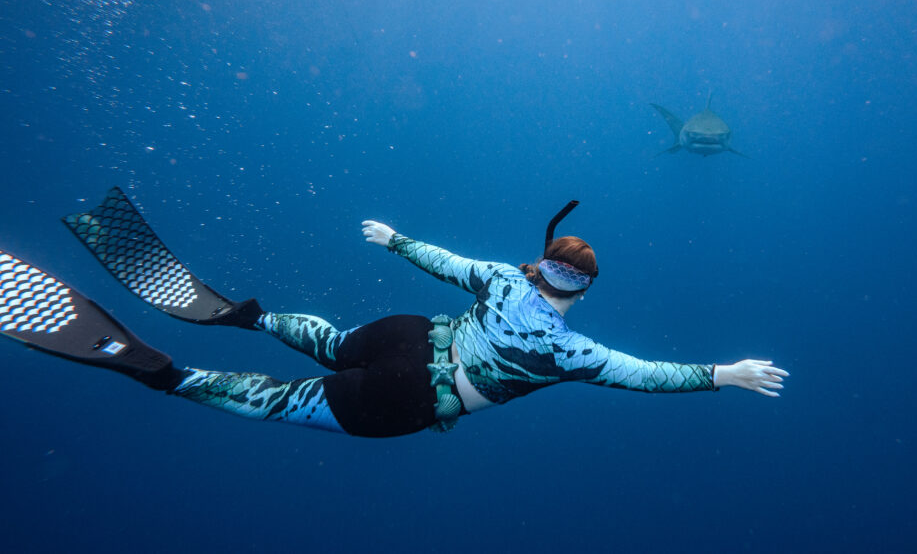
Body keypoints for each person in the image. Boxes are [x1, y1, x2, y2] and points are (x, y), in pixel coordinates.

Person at [0, 189, 788, 438]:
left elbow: (444, 260)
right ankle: (167, 374)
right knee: (285, 396)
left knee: (331, 345)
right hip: (419, 395)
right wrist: (720, 374)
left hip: (411, 344)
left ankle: (245, 317)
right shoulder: (570, 351)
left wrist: (393, 240)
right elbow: (642, 374)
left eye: (565, 278)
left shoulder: (503, 281)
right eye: (555, 269)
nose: (554, 285)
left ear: (566, 283)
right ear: (551, 272)